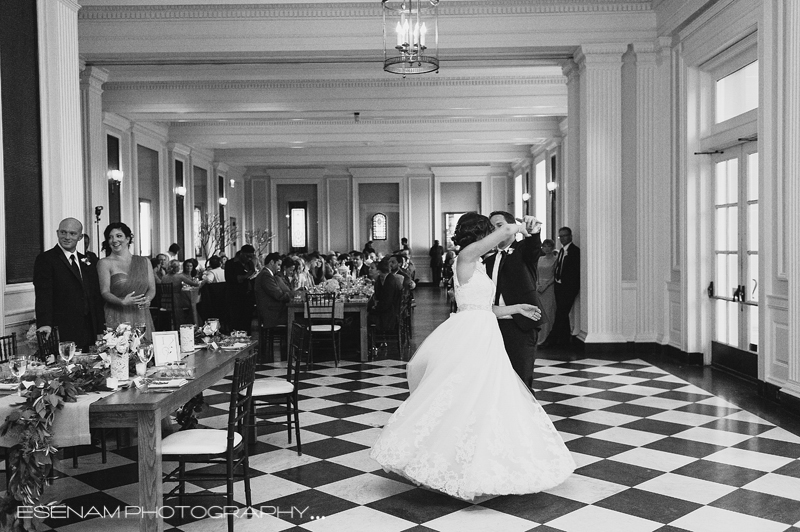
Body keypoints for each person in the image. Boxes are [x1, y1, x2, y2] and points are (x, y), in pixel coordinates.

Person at [370, 213, 575, 500]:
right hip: (469, 337)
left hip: (484, 331)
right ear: (479, 234)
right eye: (489, 230)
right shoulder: (465, 256)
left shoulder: (477, 263)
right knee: (462, 396)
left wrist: (515, 308)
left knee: (487, 398)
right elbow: (473, 304)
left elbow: (480, 307)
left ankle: (480, 463)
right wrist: (515, 227)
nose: (494, 234)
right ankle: (448, 465)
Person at [484, 211, 544, 389]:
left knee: (521, 381)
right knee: (496, 380)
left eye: (500, 225)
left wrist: (534, 232)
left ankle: (527, 416)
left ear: (512, 228)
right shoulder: (488, 261)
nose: (495, 230)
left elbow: (533, 248)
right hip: (492, 325)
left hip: (520, 325)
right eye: (492, 227)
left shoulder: (523, 250)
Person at [33, 217, 106, 350]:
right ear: (57, 233)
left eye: (72, 233)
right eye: (63, 232)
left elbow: (95, 297)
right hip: (62, 329)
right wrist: (44, 324)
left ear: (80, 237)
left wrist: (100, 328)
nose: (67, 237)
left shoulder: (87, 261)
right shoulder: (46, 259)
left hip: (89, 330)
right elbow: (43, 295)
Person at [97, 222, 156, 341]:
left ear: (128, 239)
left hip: (141, 314)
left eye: (119, 236)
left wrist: (147, 299)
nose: (114, 240)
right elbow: (104, 292)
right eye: (110, 237)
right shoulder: (104, 263)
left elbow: (152, 288)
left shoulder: (144, 261)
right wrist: (122, 301)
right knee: (120, 354)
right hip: (117, 314)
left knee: (143, 352)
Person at [543, 226, 580, 348]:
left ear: (570, 236)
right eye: (560, 236)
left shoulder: (575, 251)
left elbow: (574, 272)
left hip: (568, 288)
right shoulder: (561, 252)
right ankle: (564, 340)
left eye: (565, 236)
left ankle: (551, 340)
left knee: (561, 313)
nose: (562, 238)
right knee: (563, 315)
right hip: (558, 287)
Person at [254, 252, 296, 329]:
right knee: (298, 319)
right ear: (272, 262)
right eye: (278, 265)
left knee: (299, 317)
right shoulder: (265, 275)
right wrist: (294, 295)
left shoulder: (267, 274)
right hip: (272, 315)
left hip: (273, 311)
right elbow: (278, 295)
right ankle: (291, 340)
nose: (279, 268)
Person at [225, 244, 259, 333]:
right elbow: (233, 279)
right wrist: (247, 275)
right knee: (236, 324)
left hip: (248, 297)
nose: (249, 258)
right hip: (235, 297)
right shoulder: (231, 263)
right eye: (248, 256)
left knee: (247, 324)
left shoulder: (249, 263)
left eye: (251, 256)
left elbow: (253, 274)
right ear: (241, 253)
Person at [367, 257, 403, 334]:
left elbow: (386, 303)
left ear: (379, 271)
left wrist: (374, 308)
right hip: (389, 311)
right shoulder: (388, 279)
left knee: (364, 316)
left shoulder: (389, 282)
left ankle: (369, 341)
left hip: (388, 316)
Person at [162, 259, 201, 325]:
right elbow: (195, 284)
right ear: (177, 268)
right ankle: (193, 323)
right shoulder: (179, 276)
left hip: (165, 301)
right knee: (192, 304)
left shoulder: (164, 277)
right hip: (176, 301)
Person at [536, 239, 558, 345]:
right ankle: (538, 337)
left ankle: (547, 338)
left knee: (549, 312)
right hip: (539, 287)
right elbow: (536, 273)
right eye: (544, 246)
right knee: (539, 312)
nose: (547, 248)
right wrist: (537, 285)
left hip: (549, 287)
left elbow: (556, 275)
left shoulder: (556, 259)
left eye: (549, 246)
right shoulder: (540, 259)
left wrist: (546, 285)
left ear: (553, 247)